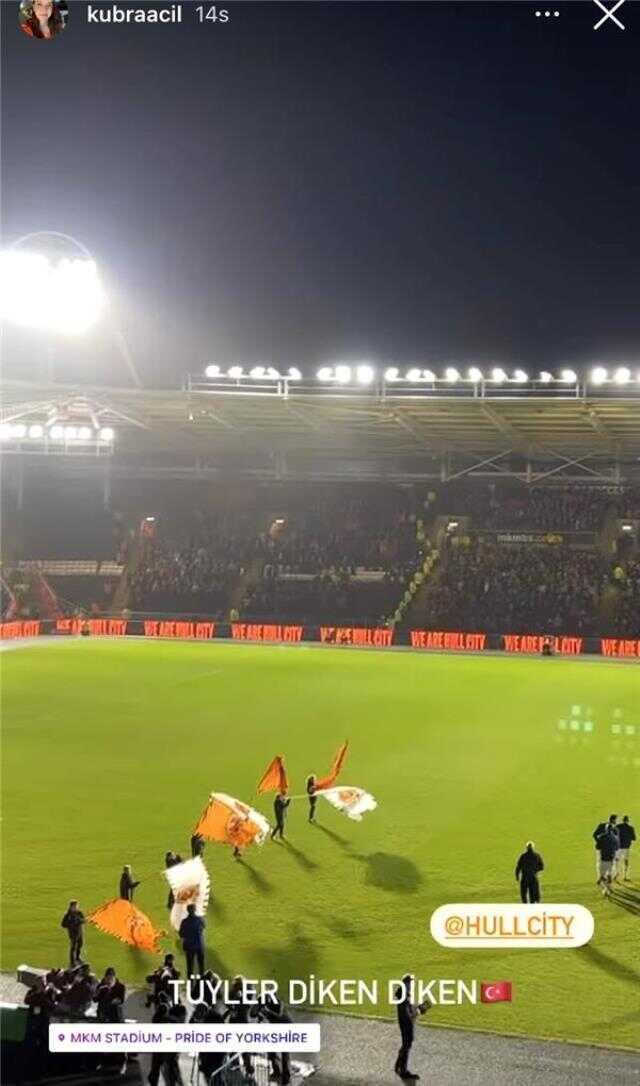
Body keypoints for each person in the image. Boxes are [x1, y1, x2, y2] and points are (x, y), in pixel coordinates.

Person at [394, 974, 429, 1080]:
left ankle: (398, 1066)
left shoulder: (403, 994)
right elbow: (408, 1014)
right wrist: (418, 1011)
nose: (412, 985)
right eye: (410, 983)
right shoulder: (404, 995)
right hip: (406, 1024)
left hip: (405, 1023)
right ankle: (402, 1070)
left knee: (406, 1044)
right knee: (407, 1044)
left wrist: (418, 1008)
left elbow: (409, 1009)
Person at [178, 903, 205, 977]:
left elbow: (181, 934)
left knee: (190, 967)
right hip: (199, 945)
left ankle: (191, 985)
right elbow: (203, 927)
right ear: (195, 910)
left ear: (188, 911)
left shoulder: (184, 922)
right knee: (201, 966)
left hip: (189, 946)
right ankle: (202, 982)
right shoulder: (200, 919)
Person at [597, 822, 620, 896]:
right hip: (611, 858)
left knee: (602, 875)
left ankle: (606, 889)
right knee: (609, 874)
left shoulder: (602, 837)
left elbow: (597, 847)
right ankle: (608, 888)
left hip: (603, 858)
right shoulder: (614, 838)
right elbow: (617, 848)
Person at [60, 899, 85, 967]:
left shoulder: (79, 913)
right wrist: (70, 924)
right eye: (74, 906)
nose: (76, 907)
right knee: (73, 947)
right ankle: (72, 961)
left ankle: (77, 957)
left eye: (76, 906)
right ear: (71, 906)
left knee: (80, 945)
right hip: (73, 934)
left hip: (80, 932)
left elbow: (84, 920)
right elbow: (63, 924)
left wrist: (79, 921)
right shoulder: (68, 914)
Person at [592, 815, 617, 879]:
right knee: (608, 862)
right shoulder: (613, 828)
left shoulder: (602, 825)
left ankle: (601, 876)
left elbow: (594, 835)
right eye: (615, 820)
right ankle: (607, 875)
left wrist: (599, 842)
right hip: (607, 848)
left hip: (601, 847)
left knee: (601, 862)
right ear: (613, 820)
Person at [616, 815, 636, 881]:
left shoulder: (618, 827)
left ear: (623, 820)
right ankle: (625, 876)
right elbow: (634, 838)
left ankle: (616, 874)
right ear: (627, 821)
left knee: (617, 860)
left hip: (618, 847)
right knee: (626, 861)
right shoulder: (631, 828)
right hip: (626, 847)